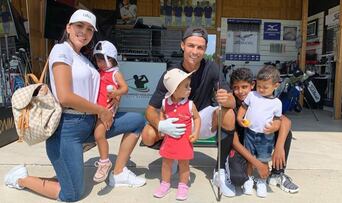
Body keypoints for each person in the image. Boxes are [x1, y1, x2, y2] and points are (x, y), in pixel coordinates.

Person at [4, 9, 146, 202]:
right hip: (68, 129)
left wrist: (113, 97)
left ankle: (118, 173)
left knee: (137, 120)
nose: (84, 32)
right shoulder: (61, 50)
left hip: (91, 123)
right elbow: (65, 97)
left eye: (89, 29)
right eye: (79, 26)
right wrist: (101, 110)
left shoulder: (84, 58)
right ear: (68, 28)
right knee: (71, 194)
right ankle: (20, 178)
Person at [141, 26, 237, 197]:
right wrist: (161, 124)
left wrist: (228, 99)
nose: (195, 51)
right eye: (191, 45)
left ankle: (220, 170)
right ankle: (173, 155)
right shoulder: (171, 73)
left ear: (205, 49)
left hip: (200, 120)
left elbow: (231, 100)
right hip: (176, 125)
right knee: (148, 134)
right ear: (182, 45)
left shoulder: (212, 68)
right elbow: (150, 109)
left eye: (200, 47)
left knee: (228, 114)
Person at [230, 68, 299, 194]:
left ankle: (277, 174)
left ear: (252, 85)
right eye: (236, 87)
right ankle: (250, 178)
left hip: (263, 138)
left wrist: (279, 147)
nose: (240, 91)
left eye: (244, 87)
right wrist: (258, 164)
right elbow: (234, 142)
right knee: (238, 178)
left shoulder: (269, 101)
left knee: (286, 132)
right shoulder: (234, 105)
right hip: (241, 145)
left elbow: (285, 121)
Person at [153, 68, 200, 201]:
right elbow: (161, 113)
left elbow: (197, 118)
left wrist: (196, 132)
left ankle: (183, 185)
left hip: (184, 141)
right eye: (186, 86)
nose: (189, 89)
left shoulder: (190, 105)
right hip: (169, 140)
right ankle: (165, 183)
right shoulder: (164, 102)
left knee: (184, 164)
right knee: (166, 163)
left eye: (189, 85)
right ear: (174, 89)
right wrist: (161, 125)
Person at [236, 65, 282, 198]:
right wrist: (240, 118)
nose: (261, 89)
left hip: (266, 137)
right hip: (250, 133)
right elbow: (243, 108)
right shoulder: (252, 95)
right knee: (249, 158)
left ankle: (262, 181)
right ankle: (249, 179)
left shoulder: (277, 103)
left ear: (275, 86)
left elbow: (278, 120)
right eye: (259, 86)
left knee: (263, 159)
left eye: (265, 87)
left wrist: (274, 127)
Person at [92, 40, 128, 183]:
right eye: (97, 60)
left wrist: (116, 93)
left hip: (106, 109)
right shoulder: (99, 72)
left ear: (111, 59)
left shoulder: (115, 73)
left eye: (103, 60)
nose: (99, 63)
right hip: (96, 108)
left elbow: (125, 88)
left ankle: (104, 162)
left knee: (99, 134)